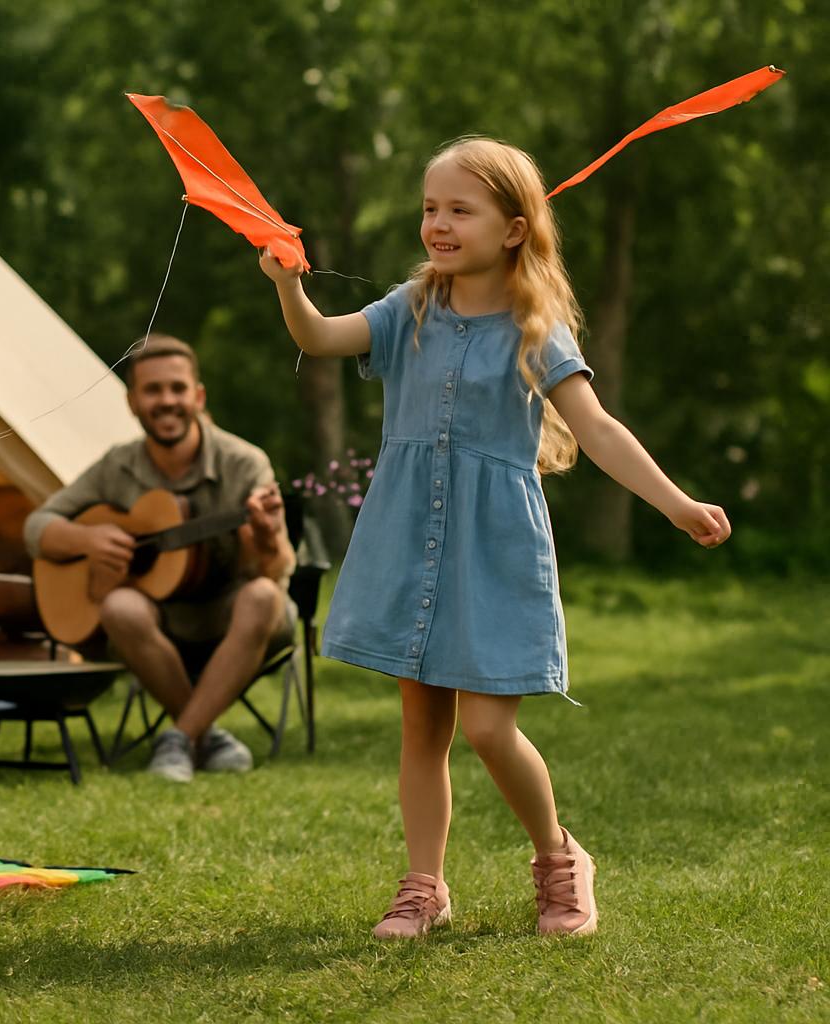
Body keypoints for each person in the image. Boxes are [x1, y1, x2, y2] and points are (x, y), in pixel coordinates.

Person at [259, 137, 731, 938]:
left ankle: (558, 859)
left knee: (487, 727)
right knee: (422, 727)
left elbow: (599, 429)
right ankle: (424, 886)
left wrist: (676, 503)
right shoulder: (407, 309)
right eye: (429, 208)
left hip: (492, 547)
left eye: (458, 210)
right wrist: (288, 289)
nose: (437, 224)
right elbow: (319, 339)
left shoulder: (533, 327)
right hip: (410, 539)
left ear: (513, 229)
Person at [23, 335, 296, 783]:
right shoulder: (117, 465)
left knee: (264, 596)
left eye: (177, 388)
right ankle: (203, 737)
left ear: (198, 396)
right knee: (119, 606)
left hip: (234, 621)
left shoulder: (244, 463)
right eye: (152, 391)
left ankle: (180, 737)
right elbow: (37, 527)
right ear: (131, 402)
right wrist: (87, 540)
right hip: (159, 624)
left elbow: (276, 570)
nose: (166, 401)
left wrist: (265, 539)